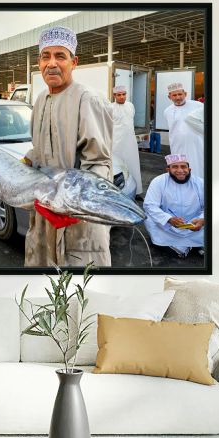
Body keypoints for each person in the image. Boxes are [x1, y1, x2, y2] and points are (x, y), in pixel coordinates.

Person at [22, 26, 115, 267]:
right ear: (39, 62)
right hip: (45, 211)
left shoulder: (88, 99)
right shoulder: (41, 99)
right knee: (42, 289)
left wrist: (72, 204)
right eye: (45, 56)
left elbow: (99, 163)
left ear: (73, 62)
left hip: (78, 220)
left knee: (80, 291)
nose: (51, 63)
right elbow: (40, 149)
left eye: (59, 56)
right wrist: (20, 165)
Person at [143, 153, 205, 258]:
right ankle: (192, 245)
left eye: (183, 166)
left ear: (189, 169)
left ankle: (185, 246)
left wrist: (203, 219)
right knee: (148, 217)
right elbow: (150, 205)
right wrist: (169, 219)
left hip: (195, 225)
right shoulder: (158, 182)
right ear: (168, 169)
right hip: (167, 227)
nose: (180, 170)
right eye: (175, 167)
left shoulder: (200, 183)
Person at [163, 82, 204, 177]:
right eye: (174, 95)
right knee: (179, 171)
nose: (178, 97)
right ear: (169, 97)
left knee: (198, 168)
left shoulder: (198, 106)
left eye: (180, 94)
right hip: (177, 146)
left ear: (185, 94)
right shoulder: (167, 111)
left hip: (197, 145)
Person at [109, 85, 142, 196]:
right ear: (114, 96)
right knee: (118, 168)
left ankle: (136, 191)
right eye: (119, 95)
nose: (122, 97)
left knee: (133, 165)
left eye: (124, 94)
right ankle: (118, 193)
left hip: (130, 143)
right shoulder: (110, 107)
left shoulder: (130, 106)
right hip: (116, 144)